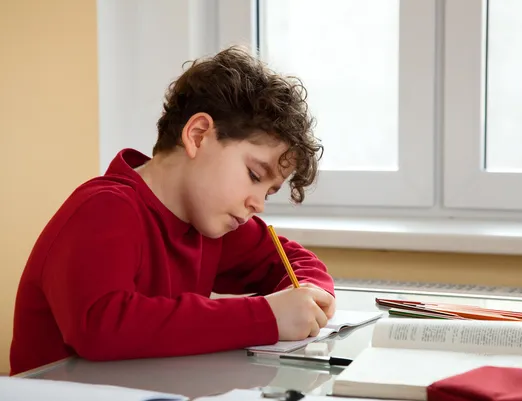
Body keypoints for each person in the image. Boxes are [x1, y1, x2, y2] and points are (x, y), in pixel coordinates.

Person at [10, 46, 336, 375]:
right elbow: (102, 327)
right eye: (254, 175)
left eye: (268, 191)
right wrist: (265, 317)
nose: (258, 204)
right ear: (198, 135)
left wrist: (311, 294)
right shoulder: (103, 208)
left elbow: (297, 262)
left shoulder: (209, 220)